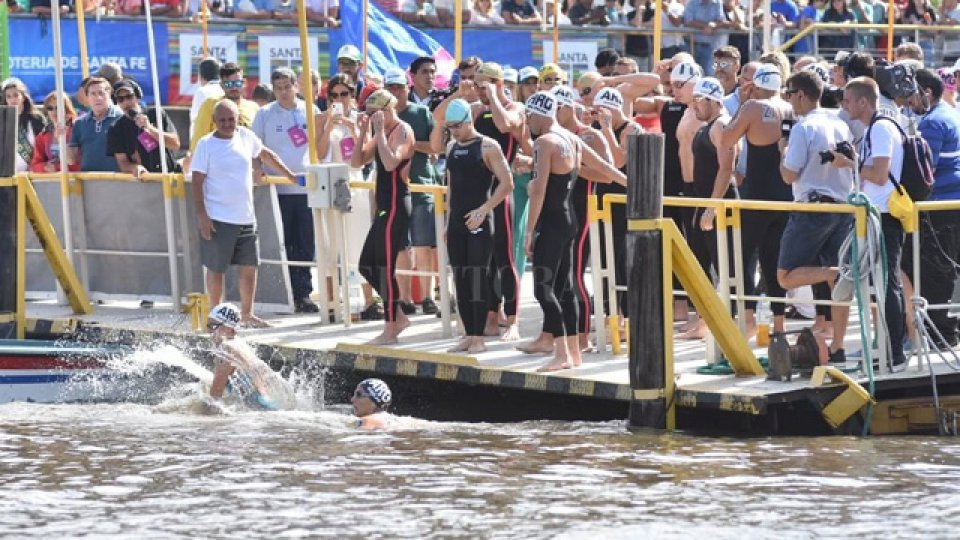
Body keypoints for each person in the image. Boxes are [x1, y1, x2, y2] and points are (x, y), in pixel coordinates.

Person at [523, 91, 626, 372]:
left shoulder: (544, 142)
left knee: (544, 289)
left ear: (537, 114)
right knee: (566, 287)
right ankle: (573, 353)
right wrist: (635, 184)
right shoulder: (573, 138)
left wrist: (529, 231)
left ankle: (560, 354)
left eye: (528, 117)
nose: (527, 123)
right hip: (571, 221)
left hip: (552, 222)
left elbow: (539, 190)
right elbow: (606, 168)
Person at [191, 100, 299, 329]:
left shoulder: (246, 137)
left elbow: (266, 154)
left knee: (249, 266)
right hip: (218, 216)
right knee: (216, 268)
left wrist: (289, 174)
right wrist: (202, 215)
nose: (228, 124)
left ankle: (247, 314)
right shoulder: (206, 144)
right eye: (223, 120)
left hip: (246, 217)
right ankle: (215, 314)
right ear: (214, 121)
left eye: (232, 119)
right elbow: (197, 181)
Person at [777, 70, 855, 361]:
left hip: (812, 208)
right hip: (842, 207)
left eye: (789, 94)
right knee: (841, 282)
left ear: (800, 94)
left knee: (785, 277)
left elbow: (789, 175)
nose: (788, 100)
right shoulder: (840, 123)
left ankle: (831, 274)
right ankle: (838, 346)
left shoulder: (802, 128)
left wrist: (782, 151)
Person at [832, 77, 907, 367]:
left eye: (848, 100)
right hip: (874, 214)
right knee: (879, 284)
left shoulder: (880, 128)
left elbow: (878, 174)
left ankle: (894, 354)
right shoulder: (874, 128)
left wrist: (849, 163)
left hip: (885, 216)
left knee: (888, 285)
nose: (844, 105)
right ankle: (885, 351)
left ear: (863, 102)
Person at [719, 63, 794, 340]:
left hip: (757, 195)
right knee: (774, 260)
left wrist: (744, 101)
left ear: (756, 84)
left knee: (743, 257)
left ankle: (748, 319)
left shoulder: (752, 108)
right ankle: (779, 326)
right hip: (784, 197)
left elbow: (727, 138)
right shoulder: (789, 107)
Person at [442, 98, 515, 353]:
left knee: (477, 276)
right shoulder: (451, 146)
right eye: (449, 127)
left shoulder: (488, 146)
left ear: (468, 121)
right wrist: (447, 220)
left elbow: (508, 184)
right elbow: (451, 188)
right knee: (460, 278)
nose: (453, 131)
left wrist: (484, 210)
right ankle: (469, 333)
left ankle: (480, 338)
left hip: (480, 221)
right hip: (457, 223)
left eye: (456, 126)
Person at [252, 68, 321, 314]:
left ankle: (303, 293)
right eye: (278, 88)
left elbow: (320, 144)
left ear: (295, 86)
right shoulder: (264, 114)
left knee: (304, 242)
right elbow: (255, 149)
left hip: (304, 189)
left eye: (286, 87)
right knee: (281, 242)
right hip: (275, 191)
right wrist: (257, 171)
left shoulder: (310, 110)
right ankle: (282, 292)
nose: (282, 92)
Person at [351, 89, 416, 345]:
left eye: (374, 113)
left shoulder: (402, 130)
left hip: (397, 206)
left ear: (387, 109)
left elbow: (390, 164)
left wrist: (378, 133)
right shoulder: (381, 132)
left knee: (385, 267)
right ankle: (398, 316)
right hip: (383, 207)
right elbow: (356, 161)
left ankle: (390, 328)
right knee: (367, 265)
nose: (371, 117)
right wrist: (363, 131)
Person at [552, 85, 613, 352]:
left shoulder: (589, 136)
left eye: (554, 108)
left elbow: (607, 174)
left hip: (581, 212)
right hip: (558, 211)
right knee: (557, 276)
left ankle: (583, 337)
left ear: (566, 107)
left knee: (575, 274)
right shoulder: (553, 135)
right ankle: (561, 335)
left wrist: (576, 166)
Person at [901, 69, 960, 347]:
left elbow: (925, 172)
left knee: (936, 272)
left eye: (911, 92)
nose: (907, 99)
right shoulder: (949, 113)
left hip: (939, 209)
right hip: (950, 205)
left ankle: (941, 337)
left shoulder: (933, 123)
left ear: (925, 92)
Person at [384, 67, 440, 316]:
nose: (396, 92)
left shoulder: (421, 113)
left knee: (424, 246)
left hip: (421, 186)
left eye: (399, 87)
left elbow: (436, 149)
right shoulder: (381, 117)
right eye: (391, 87)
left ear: (407, 87)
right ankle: (405, 298)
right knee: (400, 247)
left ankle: (428, 296)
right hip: (393, 189)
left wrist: (408, 142)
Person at [206, 302, 296, 410]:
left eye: (213, 326)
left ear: (229, 327)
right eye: (208, 326)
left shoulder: (226, 350)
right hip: (269, 404)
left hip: (259, 408)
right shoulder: (239, 343)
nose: (209, 331)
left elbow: (215, 395)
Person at [689, 77, 736, 285]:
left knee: (725, 266)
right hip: (706, 201)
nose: (693, 106)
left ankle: (731, 315)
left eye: (698, 100)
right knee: (697, 262)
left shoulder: (721, 125)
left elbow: (727, 168)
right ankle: (704, 316)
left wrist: (712, 207)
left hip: (718, 203)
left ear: (713, 100)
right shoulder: (706, 126)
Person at [106, 79, 181, 179]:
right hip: (143, 181)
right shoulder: (116, 128)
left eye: (129, 96)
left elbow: (175, 144)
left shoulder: (156, 114)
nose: (126, 102)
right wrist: (135, 168)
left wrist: (150, 128)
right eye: (120, 99)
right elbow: (123, 163)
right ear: (116, 102)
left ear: (137, 96)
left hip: (168, 176)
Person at [189, 62, 259, 156]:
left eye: (237, 83)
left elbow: (259, 145)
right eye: (229, 84)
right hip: (217, 164)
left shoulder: (253, 108)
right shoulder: (210, 105)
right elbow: (197, 143)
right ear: (221, 85)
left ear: (244, 83)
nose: (234, 87)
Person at [67, 77, 121, 173]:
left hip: (118, 179)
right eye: (93, 94)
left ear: (109, 95)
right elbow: (71, 160)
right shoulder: (79, 123)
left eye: (101, 93)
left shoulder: (122, 119)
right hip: (89, 180)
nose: (98, 98)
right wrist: (61, 138)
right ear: (87, 97)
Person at [1, 78, 45, 173]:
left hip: (32, 173)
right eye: (8, 97)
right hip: (8, 175)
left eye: (16, 95)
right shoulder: (2, 120)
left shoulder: (36, 118)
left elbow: (44, 145)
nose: (13, 99)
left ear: (23, 97)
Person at [31, 92, 80, 173]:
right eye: (50, 108)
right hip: (52, 181)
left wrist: (56, 167)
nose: (54, 111)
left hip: (75, 180)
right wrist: (44, 167)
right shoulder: (43, 135)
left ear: (67, 109)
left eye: (58, 107)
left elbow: (77, 162)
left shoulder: (77, 130)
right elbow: (35, 165)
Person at [683, 0, 726, 76]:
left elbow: (720, 20)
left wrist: (713, 25)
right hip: (690, 45)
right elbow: (688, 21)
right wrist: (706, 26)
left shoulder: (718, 3)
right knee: (689, 74)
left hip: (709, 47)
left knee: (708, 74)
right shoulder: (692, 2)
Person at [190, 58, 223, 140]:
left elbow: (196, 121)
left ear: (201, 76)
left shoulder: (202, 92)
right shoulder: (225, 89)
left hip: (208, 140)